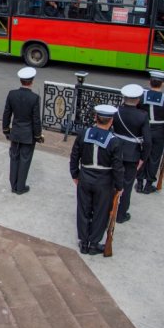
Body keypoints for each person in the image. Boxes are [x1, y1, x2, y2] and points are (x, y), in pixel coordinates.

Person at [70, 104, 125, 256]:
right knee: (101, 213)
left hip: (85, 177)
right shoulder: (114, 141)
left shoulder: (83, 133)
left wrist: (75, 174)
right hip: (104, 181)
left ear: (95, 118)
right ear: (111, 121)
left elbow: (74, 156)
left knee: (83, 210)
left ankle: (83, 242)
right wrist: (120, 186)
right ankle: (94, 243)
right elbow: (118, 167)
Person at [2, 67, 43, 195]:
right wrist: (38, 135)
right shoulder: (34, 98)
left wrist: (6, 130)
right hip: (28, 134)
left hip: (15, 133)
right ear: (32, 81)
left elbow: (6, 114)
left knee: (14, 158)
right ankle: (20, 187)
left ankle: (13, 185)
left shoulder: (12, 94)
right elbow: (36, 120)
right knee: (25, 159)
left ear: (21, 80)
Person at [113, 84, 151, 224]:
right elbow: (147, 141)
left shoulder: (116, 111)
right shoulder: (142, 116)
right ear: (138, 100)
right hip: (132, 154)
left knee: (111, 181)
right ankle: (121, 214)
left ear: (124, 98)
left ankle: (107, 209)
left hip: (115, 150)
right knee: (127, 185)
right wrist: (143, 158)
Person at [136, 71, 164, 194]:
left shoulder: (141, 97)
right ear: (162, 84)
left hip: (144, 130)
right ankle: (148, 184)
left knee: (142, 156)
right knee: (154, 158)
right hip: (159, 132)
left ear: (149, 82)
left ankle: (139, 182)